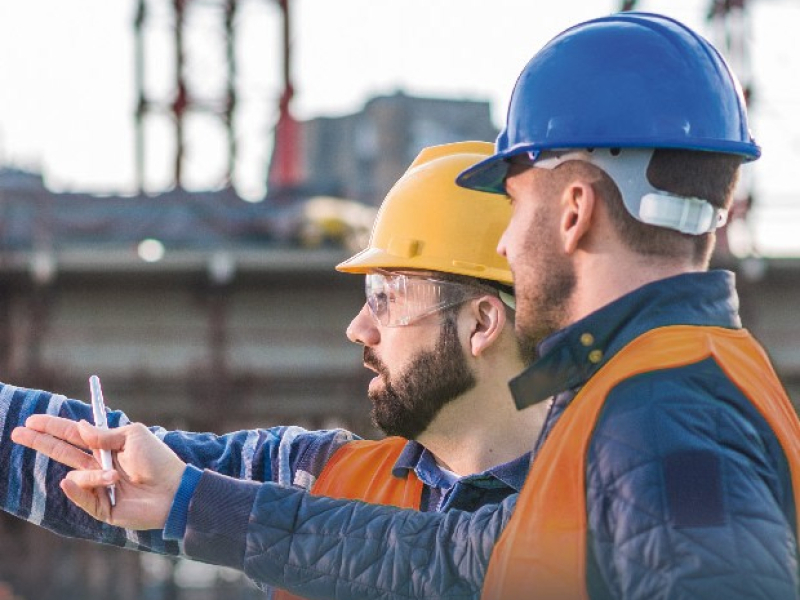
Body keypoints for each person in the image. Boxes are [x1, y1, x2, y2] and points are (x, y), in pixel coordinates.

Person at [15, 11, 800, 600]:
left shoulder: (667, 418)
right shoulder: (634, 399)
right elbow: (443, 559)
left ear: (573, 211)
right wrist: (190, 499)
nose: (507, 242)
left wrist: (193, 502)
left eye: (518, 203)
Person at [5, 142, 547, 597]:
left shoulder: (579, 521)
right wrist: (184, 498)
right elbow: (140, 473)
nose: (359, 328)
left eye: (388, 296)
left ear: (481, 323)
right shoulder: (320, 477)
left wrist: (198, 503)